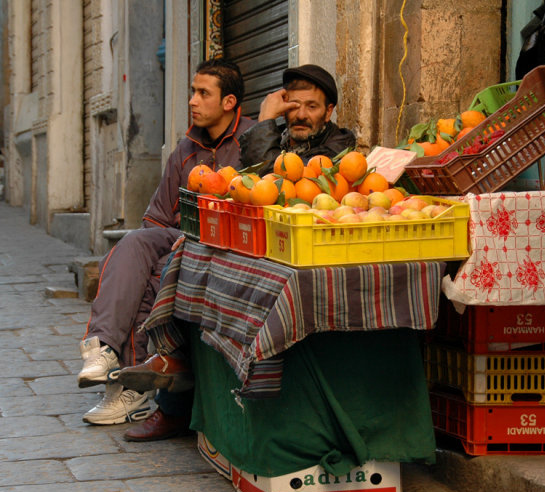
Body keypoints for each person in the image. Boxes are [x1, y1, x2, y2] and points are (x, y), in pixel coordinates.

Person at [117, 63, 356, 440]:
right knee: (188, 269)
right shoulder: (277, 139)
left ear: (328, 112)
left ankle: (175, 395)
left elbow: (278, 180)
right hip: (256, 247)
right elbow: (251, 180)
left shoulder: (339, 147)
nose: (301, 114)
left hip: (300, 257)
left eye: (312, 106)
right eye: (293, 105)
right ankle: (172, 392)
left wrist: (262, 121)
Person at [77, 58, 254, 427]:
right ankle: (103, 349)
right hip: (178, 240)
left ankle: (131, 389)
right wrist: (166, 241)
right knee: (137, 245)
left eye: (203, 93)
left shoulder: (251, 143)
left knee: (158, 270)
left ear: (229, 102)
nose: (192, 100)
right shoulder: (185, 149)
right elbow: (157, 217)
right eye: (192, 91)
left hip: (224, 246)